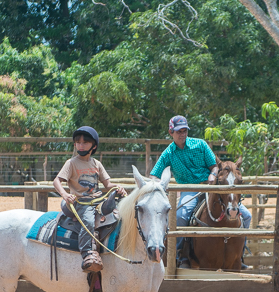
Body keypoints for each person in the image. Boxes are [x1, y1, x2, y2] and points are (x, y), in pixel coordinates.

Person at [150, 114, 251, 269]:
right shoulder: (168, 153)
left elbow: (215, 166)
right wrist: (158, 185)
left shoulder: (200, 145)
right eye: (178, 131)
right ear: (171, 133)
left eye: (184, 130)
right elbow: (154, 175)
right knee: (180, 216)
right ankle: (180, 255)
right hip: (188, 190)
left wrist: (212, 175)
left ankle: (240, 254)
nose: (182, 134)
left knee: (246, 215)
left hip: (210, 186)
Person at [53, 126, 127, 272]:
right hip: (81, 202)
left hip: (98, 200)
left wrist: (117, 187)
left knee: (120, 212)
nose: (80, 145)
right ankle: (87, 254)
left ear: (93, 146)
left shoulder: (96, 164)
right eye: (78, 142)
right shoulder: (71, 163)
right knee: (87, 221)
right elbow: (57, 181)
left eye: (85, 143)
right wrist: (65, 195)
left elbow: (107, 184)